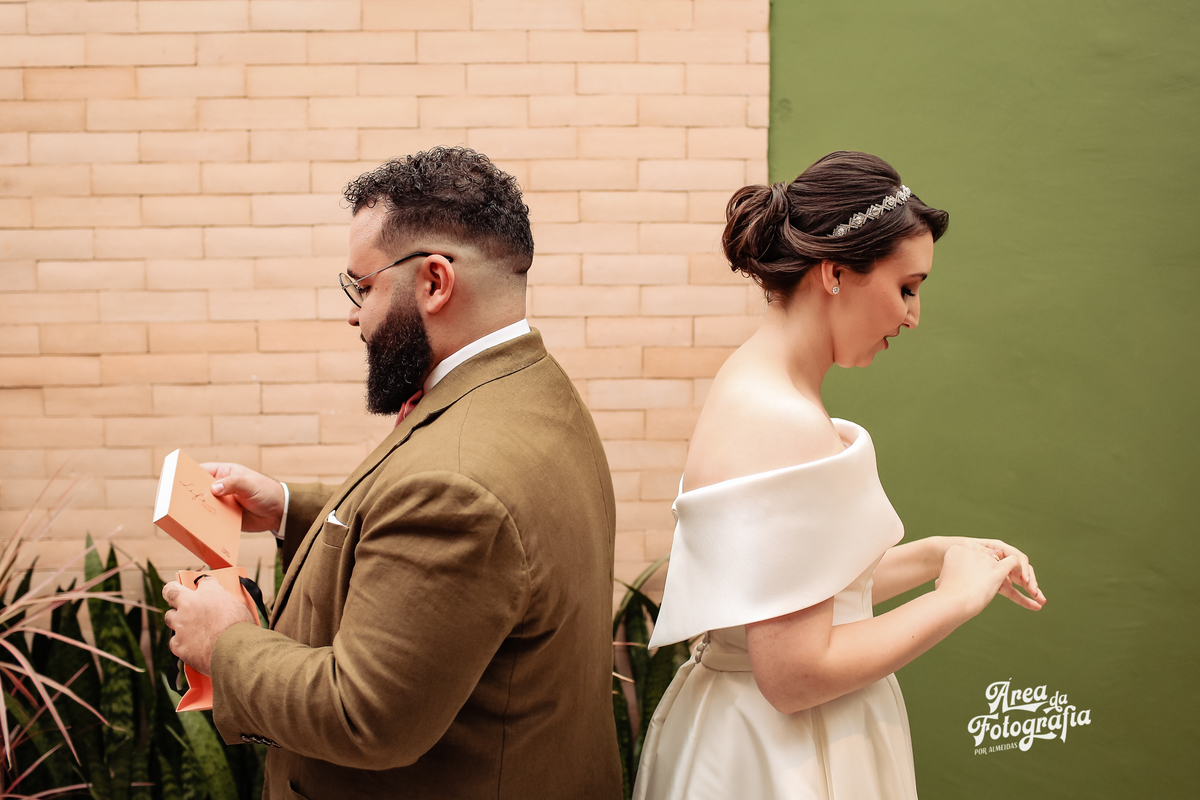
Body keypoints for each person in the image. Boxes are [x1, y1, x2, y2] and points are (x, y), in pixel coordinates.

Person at [162, 147, 622, 799]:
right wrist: (291, 507)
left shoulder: (459, 486)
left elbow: (363, 716)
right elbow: (456, 543)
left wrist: (224, 643)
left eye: (364, 286)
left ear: (434, 281)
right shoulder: (528, 386)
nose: (353, 313)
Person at [631, 151, 1048, 800]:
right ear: (834, 273)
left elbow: (792, 594)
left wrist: (939, 555)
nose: (913, 317)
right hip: (781, 755)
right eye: (906, 288)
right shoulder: (782, 420)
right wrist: (953, 601)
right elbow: (793, 674)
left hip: (751, 732)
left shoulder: (754, 383)